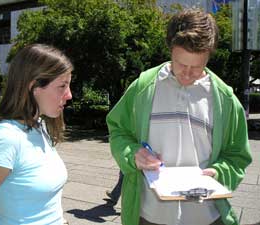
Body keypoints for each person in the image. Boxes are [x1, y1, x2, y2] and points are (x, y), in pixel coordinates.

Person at [106, 8, 252, 225]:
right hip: (149, 215)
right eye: (181, 64)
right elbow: (118, 130)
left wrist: (218, 173)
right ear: (170, 50)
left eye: (197, 67)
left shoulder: (226, 100)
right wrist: (133, 153)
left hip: (206, 217)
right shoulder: (143, 87)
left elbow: (237, 156)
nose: (187, 74)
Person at [0, 44, 73, 225]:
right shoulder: (5, 138)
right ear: (33, 86)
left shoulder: (39, 127)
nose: (69, 95)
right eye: (62, 86)